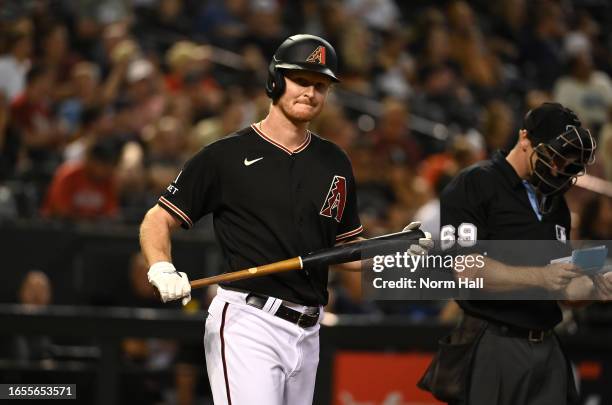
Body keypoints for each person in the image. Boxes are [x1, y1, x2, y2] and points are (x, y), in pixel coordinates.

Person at [139, 34, 432, 405]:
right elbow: (158, 218)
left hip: (309, 330)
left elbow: (343, 251)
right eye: (302, 81)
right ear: (275, 81)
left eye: (320, 85)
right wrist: (161, 267)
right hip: (250, 321)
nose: (311, 93)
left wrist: (394, 253)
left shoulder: (335, 162)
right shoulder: (225, 156)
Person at [419, 102, 611, 405]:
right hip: (494, 342)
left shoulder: (556, 204)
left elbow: (563, 287)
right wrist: (542, 276)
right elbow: (466, 269)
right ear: (525, 138)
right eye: (554, 158)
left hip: (546, 345)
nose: (558, 170)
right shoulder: (476, 183)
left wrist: (596, 286)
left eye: (569, 163)